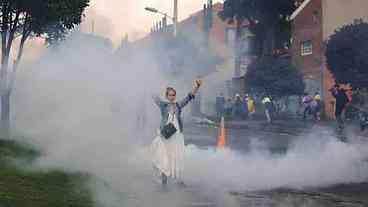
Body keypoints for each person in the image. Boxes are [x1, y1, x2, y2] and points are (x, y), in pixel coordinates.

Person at [151, 79, 202, 185]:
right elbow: (154, 97)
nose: (172, 96)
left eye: (174, 95)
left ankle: (174, 177)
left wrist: (197, 86)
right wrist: (147, 82)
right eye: (170, 95)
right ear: (166, 96)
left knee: (174, 156)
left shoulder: (178, 105)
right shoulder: (163, 105)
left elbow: (189, 97)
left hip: (176, 135)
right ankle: (164, 177)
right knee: (163, 155)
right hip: (166, 134)